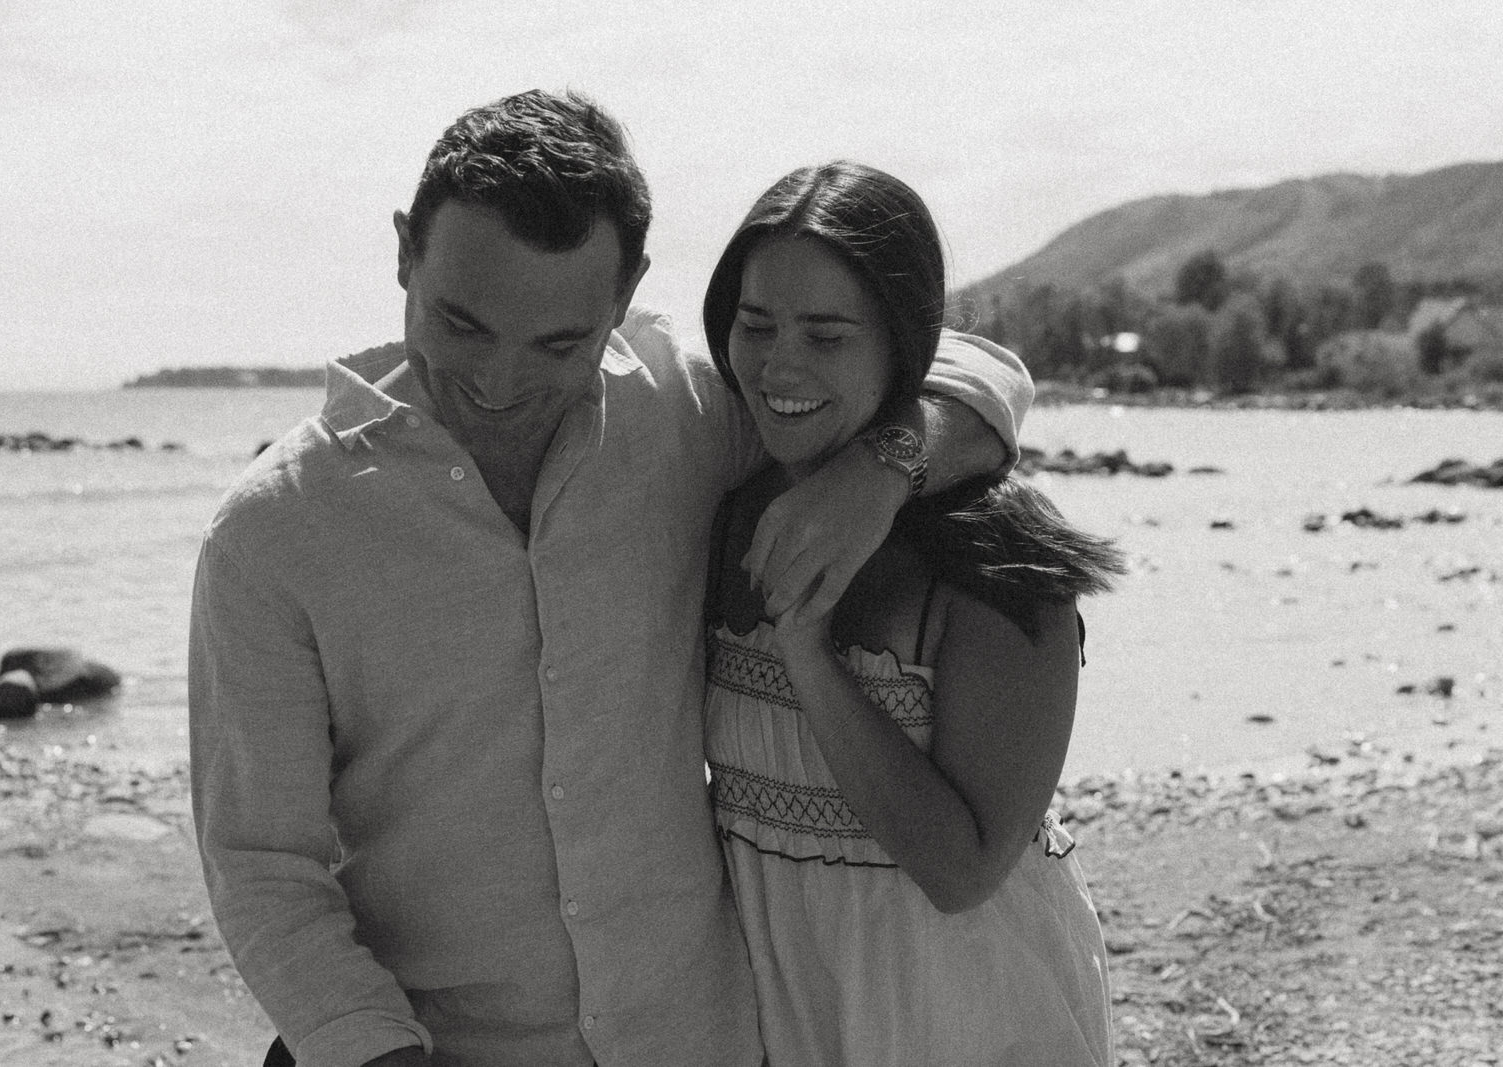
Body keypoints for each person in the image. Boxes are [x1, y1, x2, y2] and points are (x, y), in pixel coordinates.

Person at [188, 91, 1034, 1067]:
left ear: (626, 292)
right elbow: (262, 868)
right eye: (461, 323)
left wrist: (885, 467)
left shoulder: (682, 409)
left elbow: (981, 372)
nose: (500, 383)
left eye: (558, 343)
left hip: (700, 1036)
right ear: (403, 254)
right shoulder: (273, 533)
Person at [699, 161, 1124, 1066]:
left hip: (965, 1007)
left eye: (828, 335)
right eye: (756, 323)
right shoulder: (725, 495)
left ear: (904, 344)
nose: (780, 364)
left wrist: (808, 653)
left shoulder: (1001, 562)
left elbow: (962, 869)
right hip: (785, 1001)